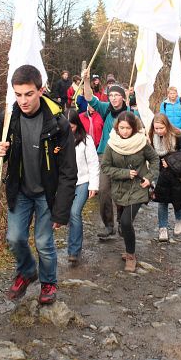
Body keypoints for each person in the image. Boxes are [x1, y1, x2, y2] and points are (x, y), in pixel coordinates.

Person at [0, 65, 76, 305]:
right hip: (20, 189)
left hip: (47, 194)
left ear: (40, 90)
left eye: (28, 94)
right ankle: (28, 271)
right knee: (15, 237)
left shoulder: (58, 124)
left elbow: (70, 171)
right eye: (18, 94)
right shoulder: (8, 118)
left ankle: (48, 282)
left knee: (43, 241)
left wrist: (61, 210)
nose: (23, 100)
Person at [83, 68, 141, 239]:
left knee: (123, 193)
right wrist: (86, 81)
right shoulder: (105, 109)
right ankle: (109, 226)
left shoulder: (132, 114)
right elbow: (89, 98)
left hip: (125, 157)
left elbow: (141, 133)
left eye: (117, 95)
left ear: (123, 97)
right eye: (111, 96)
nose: (114, 98)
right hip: (105, 155)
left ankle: (123, 222)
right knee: (104, 190)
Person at [100, 112, 159, 272]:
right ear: (117, 128)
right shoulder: (112, 144)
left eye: (128, 128)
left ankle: (131, 255)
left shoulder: (141, 143)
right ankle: (128, 248)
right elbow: (105, 167)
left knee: (126, 222)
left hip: (138, 189)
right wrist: (124, 173)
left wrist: (149, 177)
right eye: (122, 128)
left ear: (134, 128)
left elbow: (154, 159)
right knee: (124, 222)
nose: (124, 131)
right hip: (119, 189)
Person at [148, 113, 181, 241]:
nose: (158, 131)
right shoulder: (152, 136)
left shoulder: (178, 135)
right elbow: (151, 154)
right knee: (161, 199)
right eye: (156, 128)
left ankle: (179, 220)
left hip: (175, 172)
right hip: (160, 172)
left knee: (177, 197)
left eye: (161, 128)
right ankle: (162, 228)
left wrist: (170, 161)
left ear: (167, 126)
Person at [66, 109, 99, 265]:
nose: (68, 130)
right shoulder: (57, 140)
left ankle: (74, 251)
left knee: (74, 212)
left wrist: (93, 185)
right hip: (65, 183)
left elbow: (93, 164)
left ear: (77, 125)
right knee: (67, 215)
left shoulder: (86, 140)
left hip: (83, 181)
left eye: (71, 127)